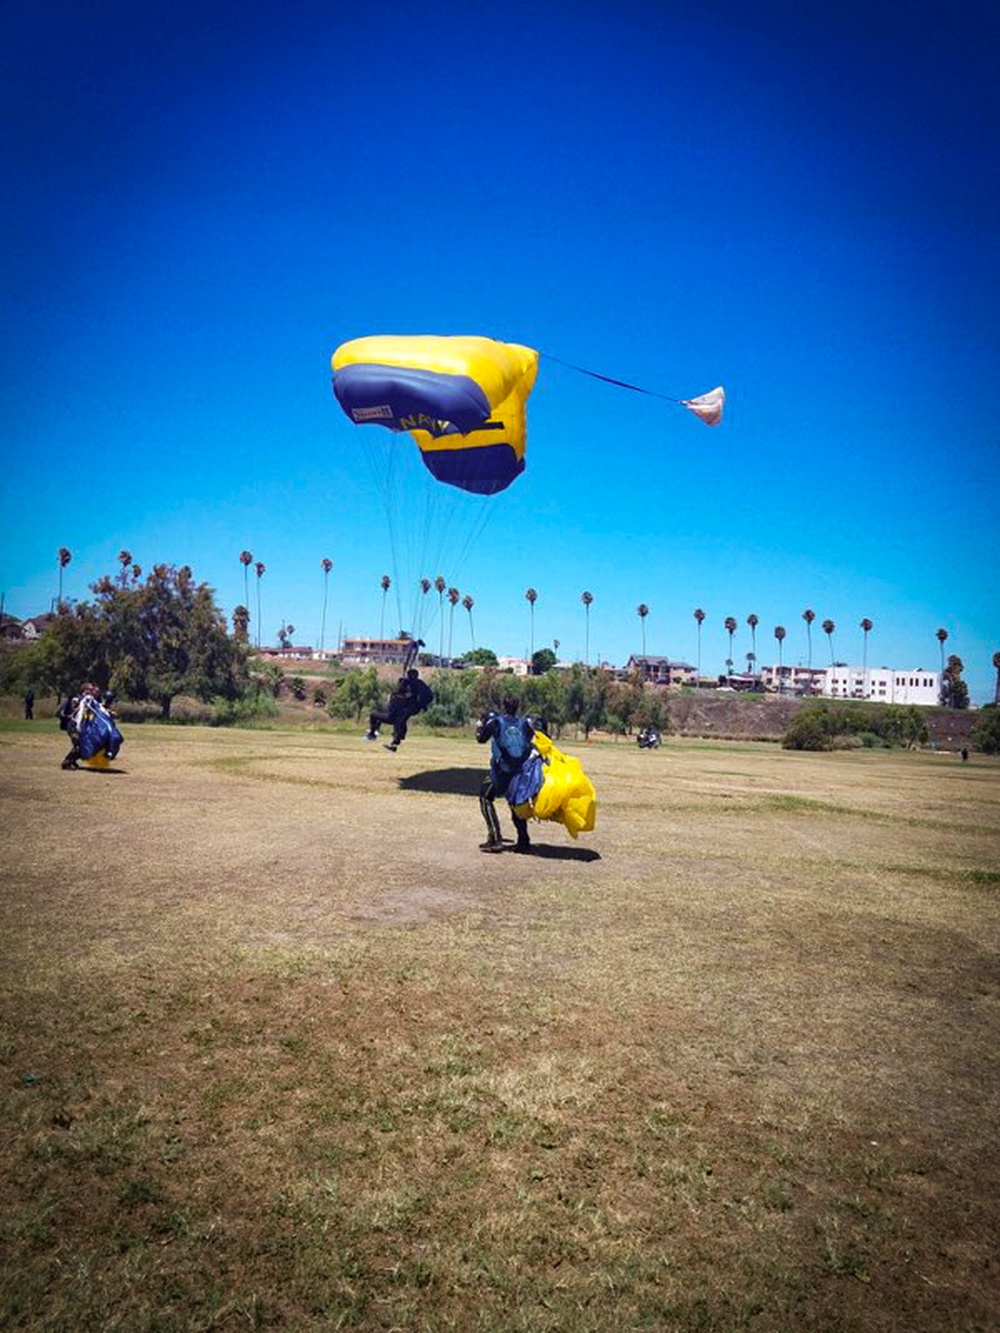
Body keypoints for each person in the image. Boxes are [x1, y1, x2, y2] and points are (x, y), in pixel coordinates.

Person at [476, 695, 535, 853]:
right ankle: (523, 840)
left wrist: (479, 727)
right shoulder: (524, 723)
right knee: (515, 804)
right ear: (517, 707)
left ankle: (495, 839)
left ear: (504, 705)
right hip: (520, 772)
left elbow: (481, 739)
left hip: (502, 772)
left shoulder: (497, 722)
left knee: (485, 797)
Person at [365, 676, 413, 751]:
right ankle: (393, 744)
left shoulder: (394, 694)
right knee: (397, 730)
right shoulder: (409, 697)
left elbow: (389, 705)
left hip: (390, 717)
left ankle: (372, 734)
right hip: (400, 718)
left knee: (373, 715)